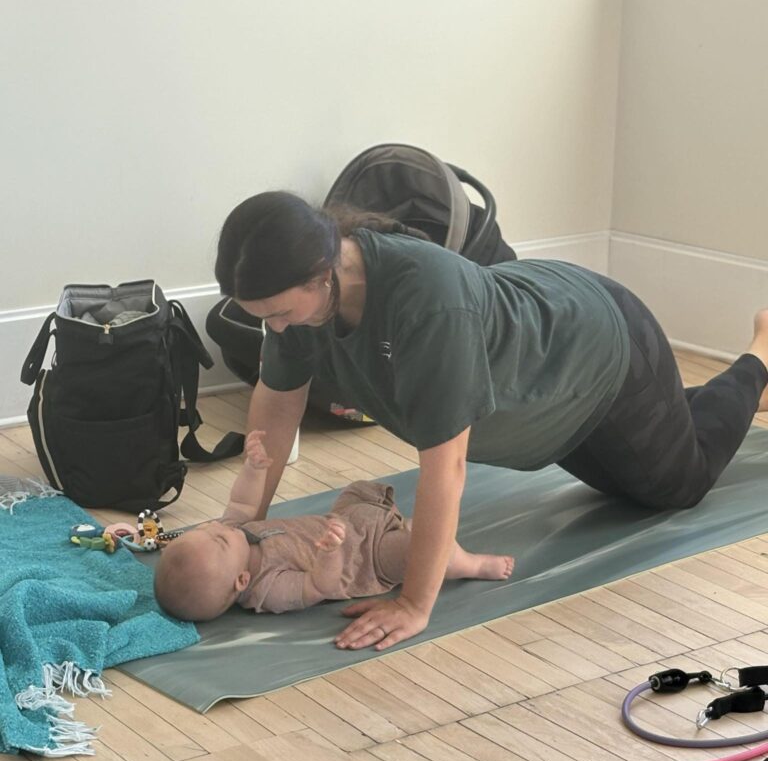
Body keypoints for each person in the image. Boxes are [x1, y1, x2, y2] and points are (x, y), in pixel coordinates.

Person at [212, 190, 768, 652]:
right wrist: (245, 530)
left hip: (598, 348)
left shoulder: (426, 301)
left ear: (321, 274)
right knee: (622, 482)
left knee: (676, 485)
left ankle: (759, 358)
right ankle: (685, 404)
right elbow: (278, 403)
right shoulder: (303, 307)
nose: (275, 329)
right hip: (542, 388)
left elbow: (446, 467)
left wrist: (414, 603)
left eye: (279, 313)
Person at [154, 431, 514, 622]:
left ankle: (398, 524)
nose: (215, 527)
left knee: (357, 490)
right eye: (218, 540)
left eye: (203, 529)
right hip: (367, 560)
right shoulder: (268, 589)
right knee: (422, 548)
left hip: (348, 522)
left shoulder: (234, 533)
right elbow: (318, 586)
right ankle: (472, 564)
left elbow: (243, 503)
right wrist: (328, 555)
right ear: (241, 581)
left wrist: (253, 468)